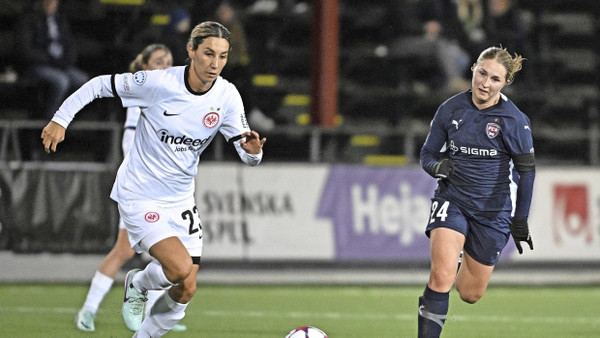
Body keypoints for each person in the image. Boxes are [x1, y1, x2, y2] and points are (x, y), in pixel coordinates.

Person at [41, 21, 266, 337]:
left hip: (181, 200)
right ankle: (140, 281)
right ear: (190, 51)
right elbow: (98, 85)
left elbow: (247, 153)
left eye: (223, 56)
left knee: (186, 290)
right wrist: (60, 120)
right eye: (208, 54)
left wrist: (253, 152)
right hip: (140, 194)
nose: (215, 64)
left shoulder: (227, 96)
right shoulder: (158, 83)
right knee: (178, 268)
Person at [417, 46, 535, 338]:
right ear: (473, 69)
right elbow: (427, 154)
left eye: (495, 79)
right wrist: (436, 168)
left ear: (505, 82)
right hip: (452, 200)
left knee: (469, 293)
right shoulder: (450, 109)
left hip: (493, 212)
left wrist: (520, 220)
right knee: (441, 276)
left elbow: (526, 172)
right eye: (482, 73)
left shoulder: (514, 120)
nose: (485, 83)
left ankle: (460, 254)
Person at [75, 43, 188, 333]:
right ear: (145, 67)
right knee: (124, 251)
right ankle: (88, 310)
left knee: (161, 254)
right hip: (142, 189)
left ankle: (150, 315)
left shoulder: (171, 97)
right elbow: (130, 143)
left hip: (164, 190)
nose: (166, 65)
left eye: (169, 61)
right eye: (159, 61)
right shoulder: (143, 94)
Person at [16, 0, 88, 119]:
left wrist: (67, 60)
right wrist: (49, 60)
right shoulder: (28, 20)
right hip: (37, 66)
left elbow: (69, 45)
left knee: (82, 81)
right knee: (61, 81)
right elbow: (26, 50)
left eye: (53, 1)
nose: (50, 3)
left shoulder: (60, 21)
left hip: (60, 65)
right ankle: (51, 119)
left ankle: (69, 116)